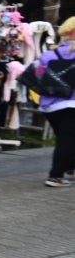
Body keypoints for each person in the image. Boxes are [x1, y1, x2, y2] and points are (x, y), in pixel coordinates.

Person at [37, 16, 75, 187]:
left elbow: (38, 75)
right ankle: (56, 176)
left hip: (50, 105)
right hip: (71, 103)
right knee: (66, 141)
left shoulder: (49, 54)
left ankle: (70, 167)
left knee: (66, 138)